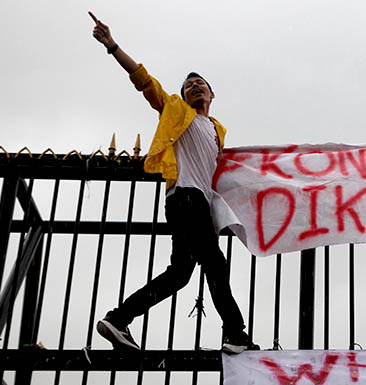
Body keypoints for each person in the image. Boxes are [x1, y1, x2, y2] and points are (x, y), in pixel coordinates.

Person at [89, 12, 258, 354]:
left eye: (200, 84)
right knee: (215, 264)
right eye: (188, 85)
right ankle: (236, 334)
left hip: (193, 204)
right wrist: (112, 46)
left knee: (180, 274)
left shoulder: (217, 131)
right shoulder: (176, 110)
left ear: (212, 94)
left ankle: (118, 319)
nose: (194, 86)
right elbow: (143, 80)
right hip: (184, 198)